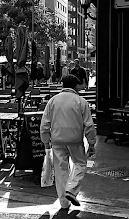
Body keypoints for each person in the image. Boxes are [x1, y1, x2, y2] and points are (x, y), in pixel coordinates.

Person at [40, 75, 96, 210]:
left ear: (62, 84)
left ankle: (64, 203)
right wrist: (91, 143)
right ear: (75, 86)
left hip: (57, 140)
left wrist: (46, 141)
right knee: (80, 164)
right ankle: (71, 189)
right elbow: (89, 125)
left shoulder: (52, 101)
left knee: (60, 170)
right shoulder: (81, 101)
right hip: (75, 140)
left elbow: (44, 124)